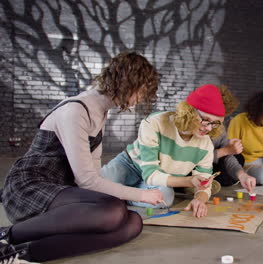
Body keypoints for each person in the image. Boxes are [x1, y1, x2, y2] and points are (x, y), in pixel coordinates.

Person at [0, 51, 162, 263]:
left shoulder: (100, 112)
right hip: (29, 188)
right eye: (141, 92)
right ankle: (7, 235)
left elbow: (92, 179)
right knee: (113, 211)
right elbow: (87, 180)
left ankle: (21, 254)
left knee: (132, 222)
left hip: (62, 192)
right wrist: (141, 195)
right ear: (127, 83)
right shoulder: (76, 110)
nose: (141, 99)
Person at [101, 84, 225, 218]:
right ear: (190, 112)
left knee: (165, 197)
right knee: (94, 189)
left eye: (214, 123)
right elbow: (150, 174)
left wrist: (200, 199)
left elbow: (205, 182)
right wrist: (189, 181)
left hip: (159, 179)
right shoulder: (155, 122)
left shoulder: (206, 144)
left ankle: (123, 195)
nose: (208, 128)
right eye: (205, 120)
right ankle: (123, 192)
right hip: (130, 166)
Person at [211, 85, 256, 193]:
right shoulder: (195, 127)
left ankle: (211, 182)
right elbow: (192, 158)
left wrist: (242, 175)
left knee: (237, 157)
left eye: (221, 116)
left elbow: (228, 156)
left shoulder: (219, 127)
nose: (217, 123)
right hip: (192, 167)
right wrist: (225, 150)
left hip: (211, 165)